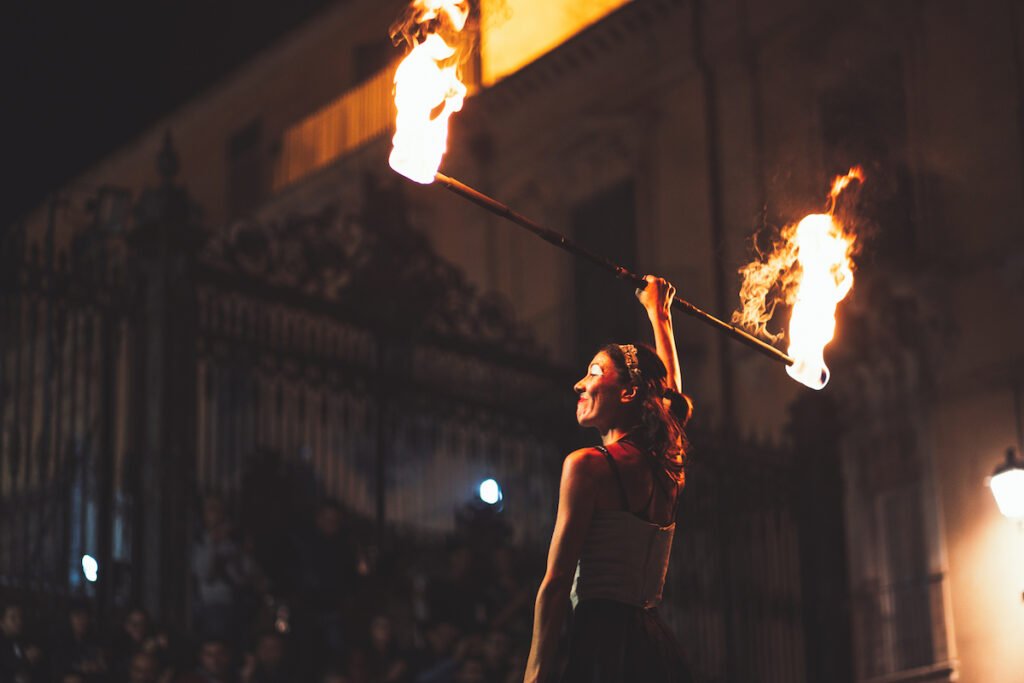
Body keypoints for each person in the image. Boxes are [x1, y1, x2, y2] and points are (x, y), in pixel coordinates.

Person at [524, 276, 695, 683]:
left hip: (604, 649)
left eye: (594, 373)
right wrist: (660, 313)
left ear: (628, 393)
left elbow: (557, 581)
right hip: (655, 648)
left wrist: (533, 677)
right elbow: (667, 393)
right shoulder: (666, 464)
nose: (579, 384)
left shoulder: (588, 465)